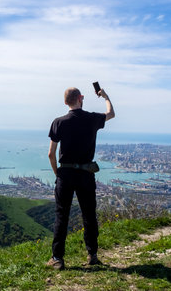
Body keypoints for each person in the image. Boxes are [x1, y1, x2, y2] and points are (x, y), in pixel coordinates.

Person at [46, 86, 115, 270]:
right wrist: (105, 96)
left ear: (65, 102)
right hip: (86, 174)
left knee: (62, 215)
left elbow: (51, 154)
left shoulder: (58, 122)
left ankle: (57, 258)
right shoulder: (92, 119)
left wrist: (57, 174)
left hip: (65, 174)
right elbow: (111, 113)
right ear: (80, 98)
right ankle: (92, 254)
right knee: (89, 214)